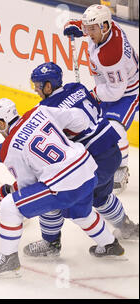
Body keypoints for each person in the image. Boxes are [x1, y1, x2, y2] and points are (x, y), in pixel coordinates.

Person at [0, 98, 125, 278]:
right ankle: (110, 244)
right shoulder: (39, 111)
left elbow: (30, 185)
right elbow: (79, 118)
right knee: (80, 212)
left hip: (64, 184)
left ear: (2, 122)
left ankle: (7, 258)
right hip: (86, 170)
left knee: (10, 206)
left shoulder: (9, 150)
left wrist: (8, 191)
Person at [23, 62, 138, 257]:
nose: (36, 89)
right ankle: (127, 227)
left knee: (56, 197)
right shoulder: (78, 87)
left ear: (49, 86)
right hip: (112, 150)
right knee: (101, 197)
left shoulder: (47, 108)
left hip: (94, 160)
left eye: (38, 85)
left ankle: (52, 244)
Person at [63, 4, 139, 194]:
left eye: (92, 28)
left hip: (129, 92)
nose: (88, 32)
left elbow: (115, 92)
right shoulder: (105, 28)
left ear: (105, 27)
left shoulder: (111, 55)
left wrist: (93, 94)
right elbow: (89, 25)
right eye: (87, 28)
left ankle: (120, 169)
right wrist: (75, 25)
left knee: (113, 127)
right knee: (91, 121)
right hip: (111, 85)